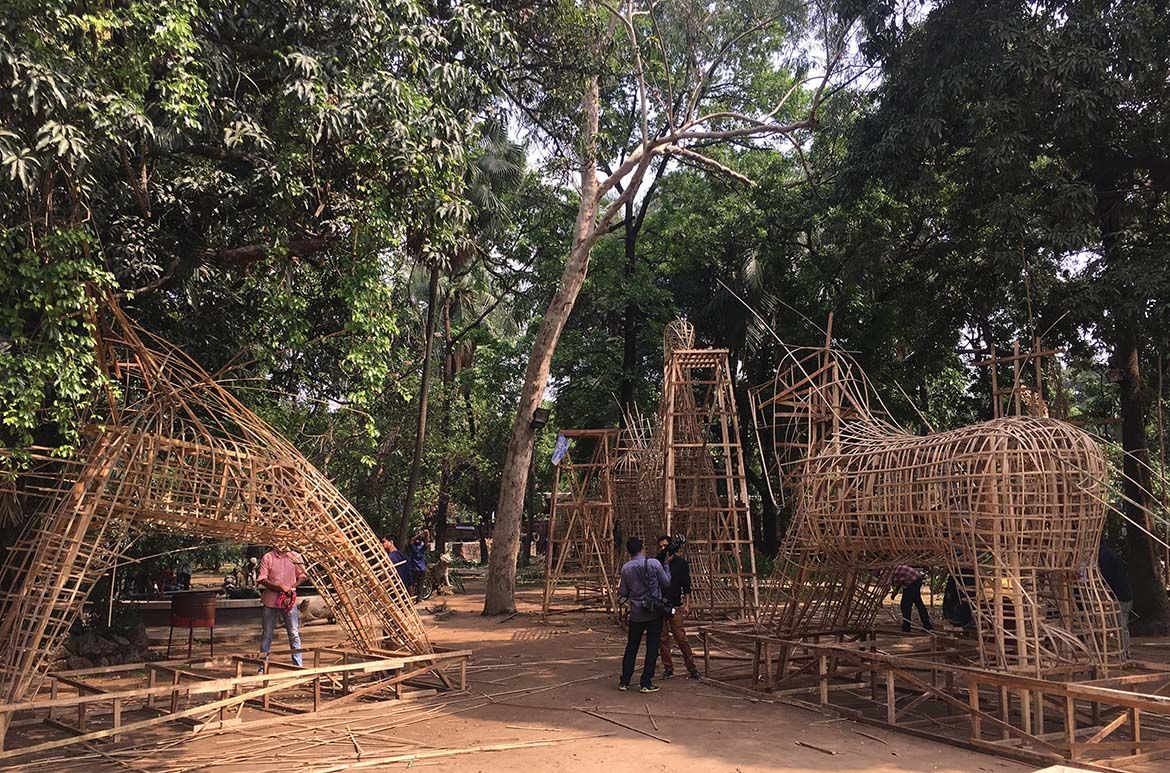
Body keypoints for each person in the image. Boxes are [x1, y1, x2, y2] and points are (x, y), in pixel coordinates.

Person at [617, 536, 671, 693]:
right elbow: (666, 583)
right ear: (642, 548)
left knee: (632, 646)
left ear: (628, 552)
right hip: (654, 612)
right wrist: (666, 565)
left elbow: (623, 592)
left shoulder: (626, 568)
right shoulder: (654, 563)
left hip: (636, 613)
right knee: (652, 647)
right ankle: (646, 682)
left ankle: (624, 681)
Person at [656, 534, 700, 679]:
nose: (663, 549)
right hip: (660, 605)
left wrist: (687, 604)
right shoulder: (657, 563)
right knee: (662, 639)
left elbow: (686, 584)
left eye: (665, 546)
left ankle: (691, 667)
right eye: (661, 546)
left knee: (681, 637)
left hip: (675, 605)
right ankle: (668, 667)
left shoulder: (681, 563)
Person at [257, 544, 308, 669]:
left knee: (294, 633)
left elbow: (302, 576)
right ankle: (262, 666)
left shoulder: (295, 557)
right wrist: (279, 587)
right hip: (270, 600)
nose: (281, 543)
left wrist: (291, 588)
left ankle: (298, 666)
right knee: (267, 634)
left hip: (289, 600)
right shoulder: (268, 557)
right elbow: (262, 579)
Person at [1098, 543, 1134, 658]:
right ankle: (1125, 651)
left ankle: (1124, 652)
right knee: (1122, 625)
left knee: (1120, 625)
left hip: (1120, 596)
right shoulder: (1110, 552)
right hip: (1125, 593)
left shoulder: (1104, 555)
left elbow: (1107, 576)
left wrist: (1103, 589)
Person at [889, 563, 932, 633]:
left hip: (912, 582)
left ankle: (906, 627)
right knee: (919, 604)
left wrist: (893, 593)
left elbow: (890, 584)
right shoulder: (893, 569)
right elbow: (900, 581)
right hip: (915, 580)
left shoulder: (887, 572)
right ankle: (927, 625)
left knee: (905, 605)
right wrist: (895, 592)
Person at [409, 529, 430, 602]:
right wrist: (421, 534)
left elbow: (427, 542)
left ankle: (419, 598)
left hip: (420, 568)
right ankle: (414, 597)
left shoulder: (422, 546)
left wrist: (427, 534)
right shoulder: (413, 546)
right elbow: (412, 540)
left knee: (418, 584)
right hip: (416, 568)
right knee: (414, 584)